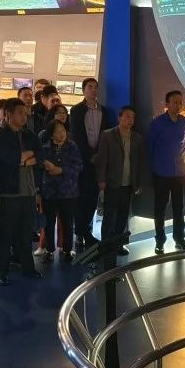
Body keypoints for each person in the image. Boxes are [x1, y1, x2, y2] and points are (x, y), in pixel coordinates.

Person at [0, 99, 41, 285]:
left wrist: (23, 159)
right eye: (20, 112)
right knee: (6, 233)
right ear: (8, 114)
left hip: (29, 190)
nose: (24, 116)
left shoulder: (29, 134)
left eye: (25, 113)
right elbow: (7, 159)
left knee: (26, 233)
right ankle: (0, 271)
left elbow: (40, 154)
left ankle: (28, 267)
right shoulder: (0, 135)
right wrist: (27, 158)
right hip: (9, 190)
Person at [95, 106, 147, 263]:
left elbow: (140, 162)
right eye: (127, 116)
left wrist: (138, 182)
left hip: (128, 184)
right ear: (119, 117)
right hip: (112, 183)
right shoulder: (107, 135)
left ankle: (118, 245)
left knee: (123, 217)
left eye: (133, 117)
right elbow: (102, 159)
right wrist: (101, 180)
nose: (130, 120)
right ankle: (106, 246)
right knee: (109, 217)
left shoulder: (137, 138)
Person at [70, 77, 116, 249]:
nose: (94, 90)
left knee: (93, 198)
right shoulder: (76, 110)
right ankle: (80, 233)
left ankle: (84, 231)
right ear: (83, 90)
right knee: (82, 197)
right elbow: (77, 136)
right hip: (83, 161)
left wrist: (100, 156)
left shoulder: (105, 111)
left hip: (100, 160)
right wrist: (90, 155)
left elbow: (108, 134)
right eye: (90, 87)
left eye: (96, 87)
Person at [149, 90, 185, 254]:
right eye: (175, 102)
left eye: (180, 102)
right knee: (160, 209)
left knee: (179, 207)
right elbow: (150, 147)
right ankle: (160, 241)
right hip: (161, 173)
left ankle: (179, 239)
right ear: (167, 104)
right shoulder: (157, 123)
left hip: (180, 173)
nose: (178, 105)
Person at [38, 120, 81, 262]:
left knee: (67, 222)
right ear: (51, 135)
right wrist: (45, 164)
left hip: (68, 191)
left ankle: (67, 249)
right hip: (49, 191)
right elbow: (38, 166)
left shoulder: (72, 146)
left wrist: (60, 170)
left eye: (63, 131)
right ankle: (49, 250)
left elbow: (78, 166)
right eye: (57, 132)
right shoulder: (44, 148)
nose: (61, 134)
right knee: (49, 223)